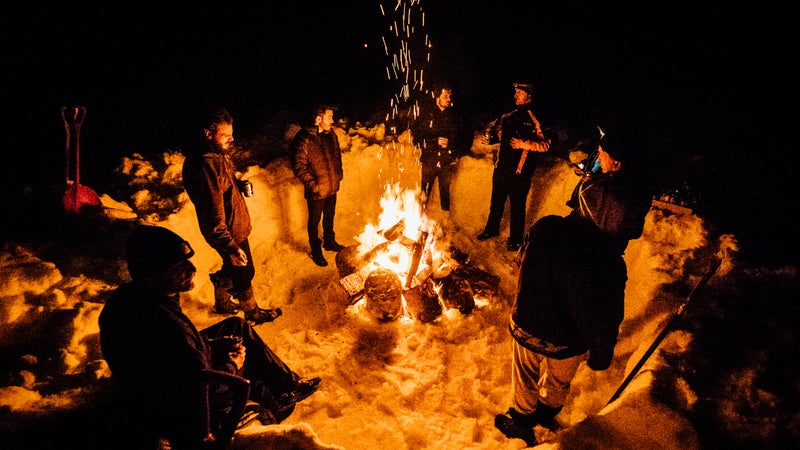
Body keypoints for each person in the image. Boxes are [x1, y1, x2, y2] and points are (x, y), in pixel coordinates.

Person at [493, 126, 653, 446]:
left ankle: (523, 419)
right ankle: (549, 408)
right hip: (571, 341)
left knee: (525, 373)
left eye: (604, 155)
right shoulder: (611, 264)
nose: (599, 157)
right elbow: (607, 313)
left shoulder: (549, 229)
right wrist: (600, 351)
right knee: (559, 379)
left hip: (531, 325)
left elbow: (522, 268)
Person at [99, 224, 321, 449]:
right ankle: (276, 403)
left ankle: (288, 383)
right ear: (153, 274)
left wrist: (211, 344)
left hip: (159, 381)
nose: (192, 268)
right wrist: (232, 364)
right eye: (179, 267)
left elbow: (176, 354)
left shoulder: (131, 297)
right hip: (173, 407)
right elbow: (200, 385)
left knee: (236, 327)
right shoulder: (165, 323)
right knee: (264, 392)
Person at [182, 107, 281, 324]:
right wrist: (231, 247)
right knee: (245, 272)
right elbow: (213, 216)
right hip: (227, 232)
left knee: (234, 268)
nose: (232, 139)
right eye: (226, 135)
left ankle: (222, 299)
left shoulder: (217, 155)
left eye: (231, 133)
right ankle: (252, 313)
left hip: (233, 226)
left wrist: (238, 184)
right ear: (208, 135)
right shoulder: (205, 167)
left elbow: (224, 184)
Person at [477, 82, 550, 251]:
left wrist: (524, 144)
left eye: (519, 92)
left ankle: (516, 239)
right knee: (496, 202)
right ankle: (491, 230)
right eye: (515, 92)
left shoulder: (535, 118)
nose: (515, 95)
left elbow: (546, 144)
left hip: (520, 172)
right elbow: (500, 135)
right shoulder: (509, 115)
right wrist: (491, 140)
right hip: (501, 168)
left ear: (529, 95)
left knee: (517, 207)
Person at [290, 104, 345, 267]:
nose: (332, 121)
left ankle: (329, 241)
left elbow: (337, 156)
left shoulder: (331, 135)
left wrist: (339, 174)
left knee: (329, 216)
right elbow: (299, 165)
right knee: (314, 221)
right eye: (329, 117)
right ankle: (316, 250)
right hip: (317, 190)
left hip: (332, 186)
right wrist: (313, 184)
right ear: (318, 119)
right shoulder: (304, 138)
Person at [409, 83, 469, 212]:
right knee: (425, 191)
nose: (449, 99)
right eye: (445, 96)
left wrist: (454, 151)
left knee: (445, 191)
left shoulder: (454, 116)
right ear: (437, 97)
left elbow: (464, 138)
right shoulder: (425, 116)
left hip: (446, 161)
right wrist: (434, 141)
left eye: (450, 95)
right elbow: (417, 140)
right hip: (429, 160)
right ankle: (420, 217)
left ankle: (444, 217)